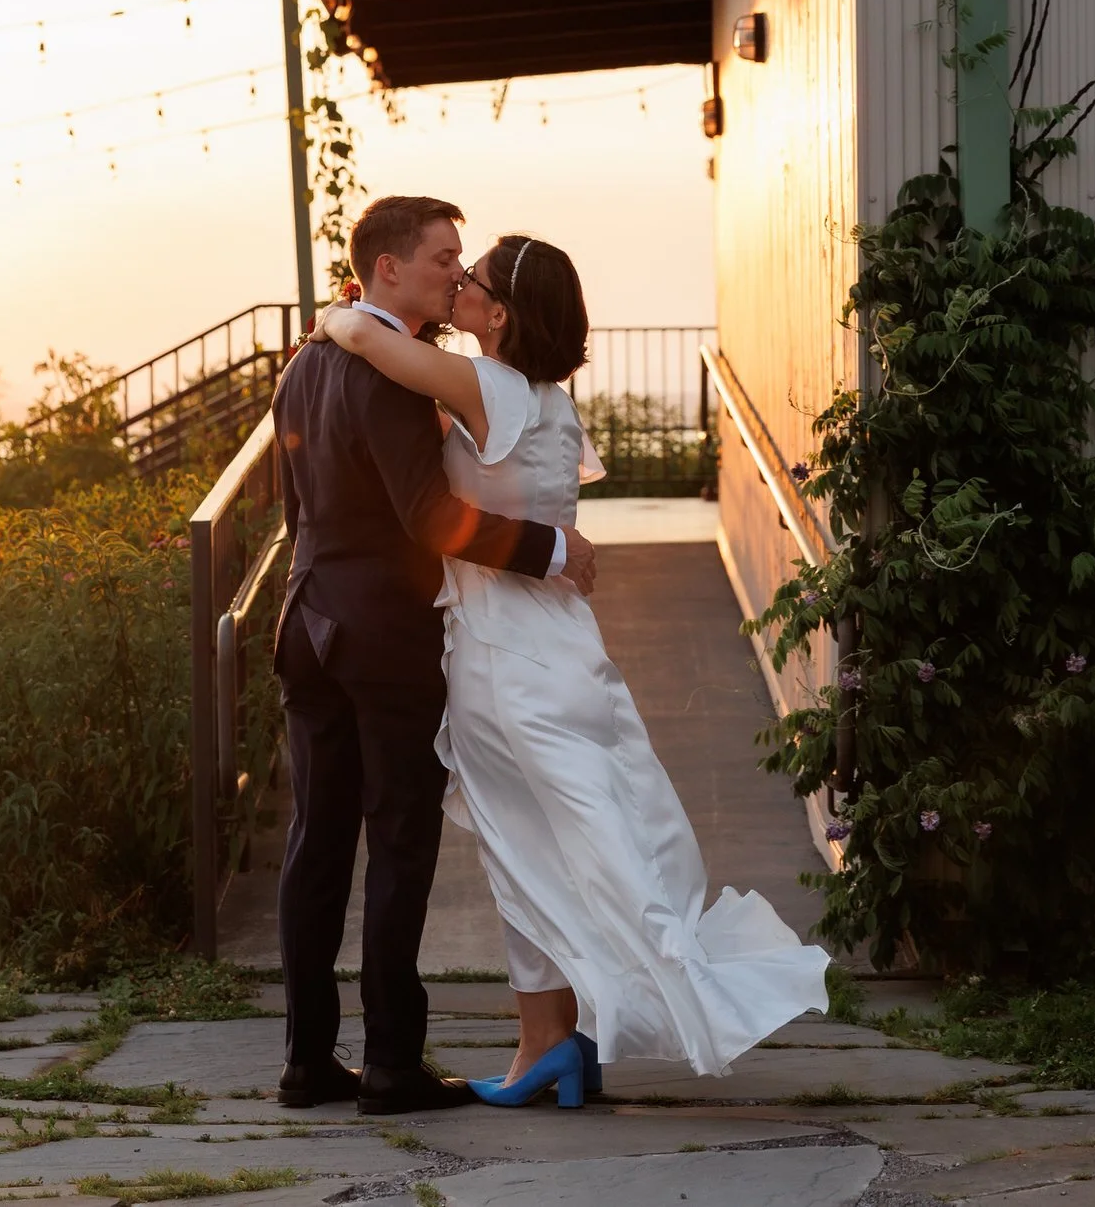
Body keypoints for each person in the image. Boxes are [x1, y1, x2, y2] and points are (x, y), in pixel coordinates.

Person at [312, 231, 829, 1111]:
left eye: (470, 280)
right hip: (563, 643)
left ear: (499, 314)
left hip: (502, 652)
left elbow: (366, 338)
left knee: (525, 844)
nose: (457, 286)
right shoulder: (546, 399)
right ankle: (556, 1040)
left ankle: (548, 1043)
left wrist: (334, 311)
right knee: (574, 830)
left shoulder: (485, 385)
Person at [271, 195, 600, 1118]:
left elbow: (298, 509)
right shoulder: (398, 377)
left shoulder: (302, 366)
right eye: (442, 257)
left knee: (315, 842)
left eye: (462, 260)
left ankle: (305, 1060)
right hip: (384, 634)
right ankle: (389, 1064)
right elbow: (432, 520)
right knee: (401, 842)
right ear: (387, 270)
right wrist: (549, 549)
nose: (455, 272)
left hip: (307, 622)